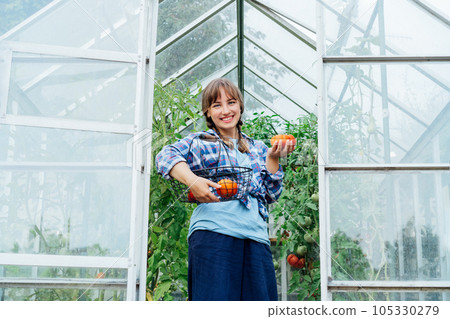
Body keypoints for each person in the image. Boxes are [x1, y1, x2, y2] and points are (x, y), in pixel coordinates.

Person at [155, 78, 295, 301]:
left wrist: (273, 157)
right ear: (208, 113)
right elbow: (165, 156)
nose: (226, 110)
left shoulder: (258, 148)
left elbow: (271, 194)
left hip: (256, 238)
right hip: (214, 235)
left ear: (240, 106)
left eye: (231, 102)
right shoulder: (200, 142)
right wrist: (192, 180)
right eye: (217, 105)